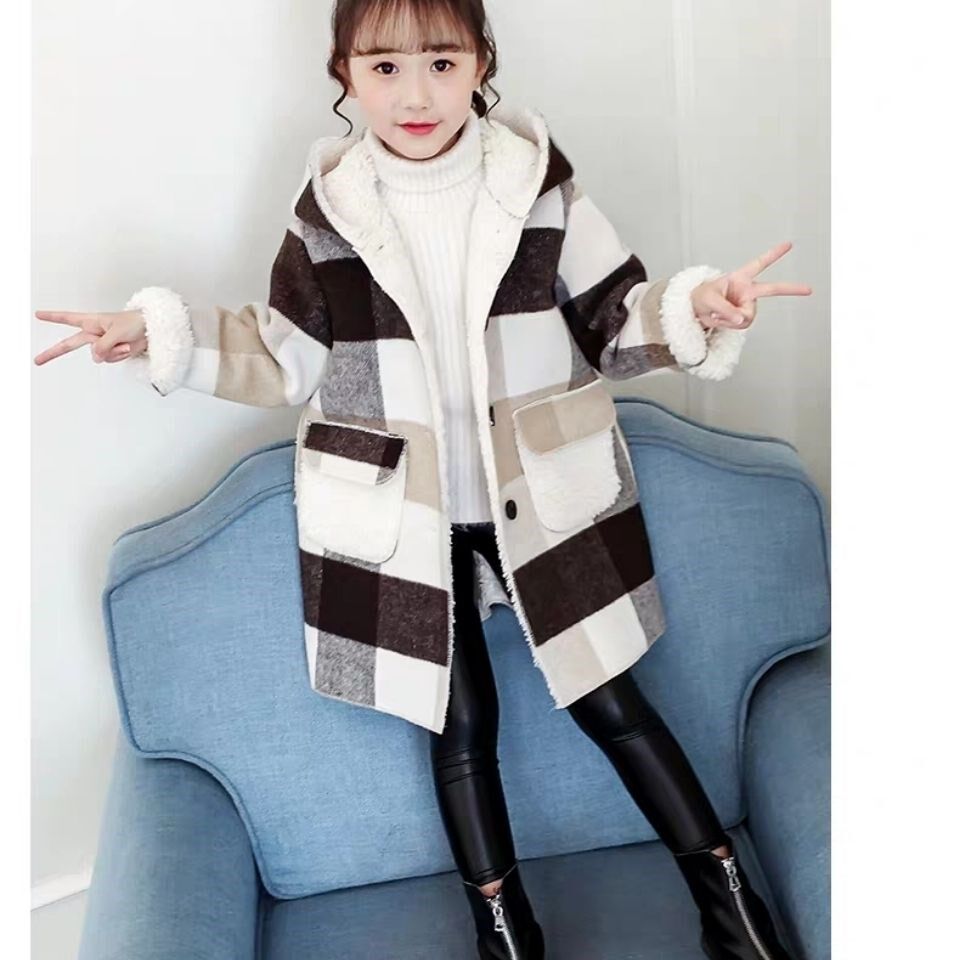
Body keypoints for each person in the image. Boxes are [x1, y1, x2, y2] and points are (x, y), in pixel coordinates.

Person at [34, 2, 814, 958]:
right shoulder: (328, 210)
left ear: (482, 62)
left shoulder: (535, 180)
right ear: (345, 72)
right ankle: (505, 936)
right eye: (386, 66)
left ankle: (732, 910)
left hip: (547, 498)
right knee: (460, 721)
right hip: (406, 515)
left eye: (442, 63)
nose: (416, 93)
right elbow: (283, 355)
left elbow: (613, 317)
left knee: (612, 697)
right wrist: (163, 335)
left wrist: (699, 307)